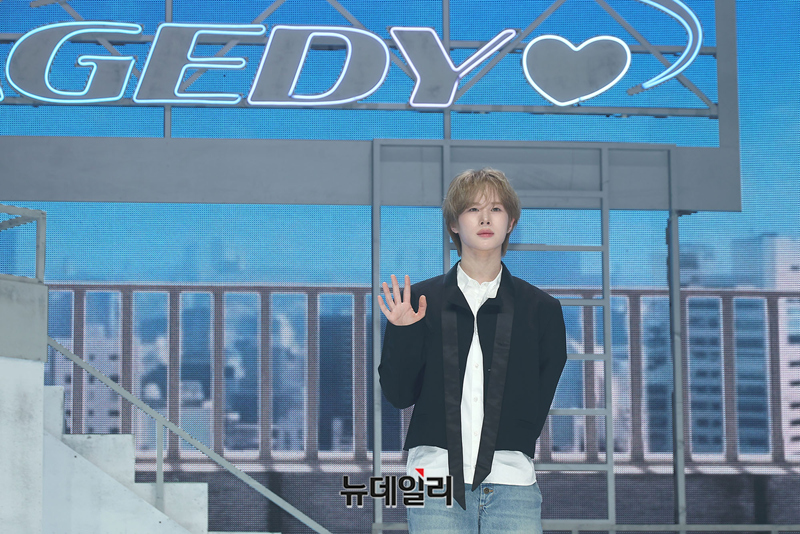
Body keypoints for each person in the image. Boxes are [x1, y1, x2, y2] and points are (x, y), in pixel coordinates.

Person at [377, 168, 567, 533]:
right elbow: (399, 395)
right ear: (453, 223)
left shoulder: (541, 309)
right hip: (435, 480)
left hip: (512, 480)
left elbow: (538, 400)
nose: (484, 218)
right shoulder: (420, 300)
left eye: (495, 209)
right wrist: (403, 332)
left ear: (511, 222)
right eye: (472, 209)